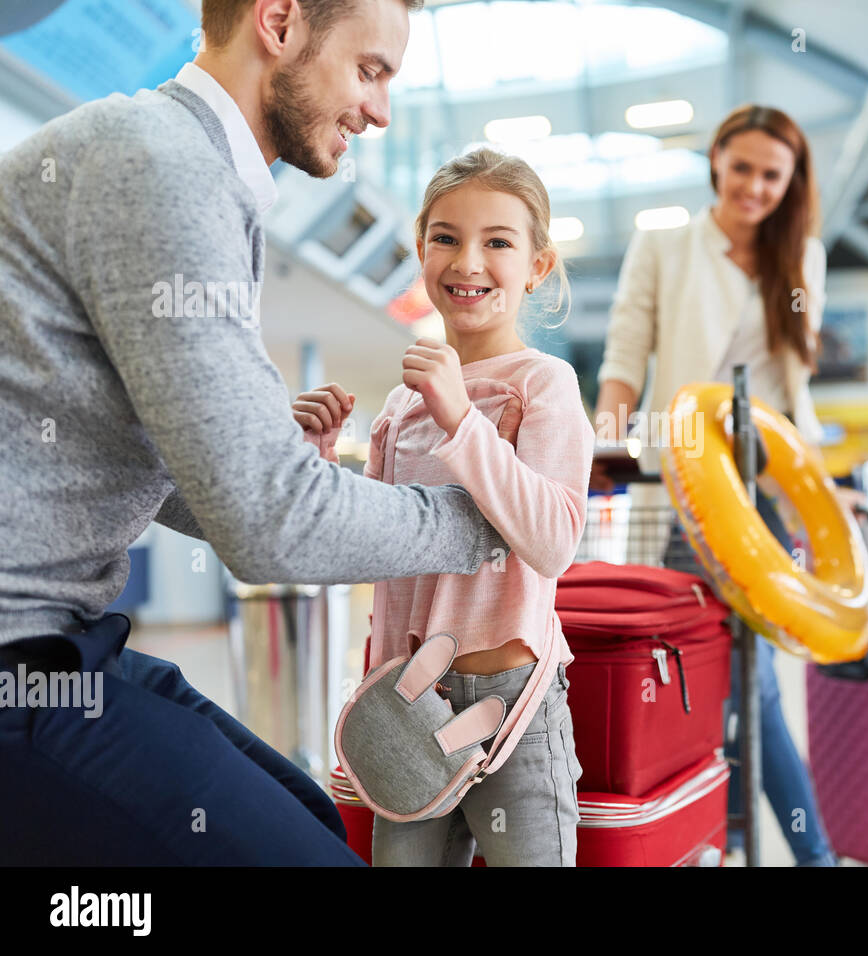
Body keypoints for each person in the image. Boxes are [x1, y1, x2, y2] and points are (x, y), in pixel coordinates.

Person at [0, 0, 517, 865]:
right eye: (369, 71)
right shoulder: (161, 166)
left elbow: (148, 465)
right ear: (278, 22)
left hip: (61, 638)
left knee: (312, 818)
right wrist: (489, 516)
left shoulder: (181, 165)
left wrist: (245, 453)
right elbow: (271, 526)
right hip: (22, 661)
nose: (381, 111)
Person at [295, 147, 593, 866]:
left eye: (498, 242)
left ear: (537, 266)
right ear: (421, 251)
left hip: (512, 702)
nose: (469, 261)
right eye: (446, 237)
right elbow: (375, 542)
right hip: (407, 702)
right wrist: (320, 462)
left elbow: (552, 541)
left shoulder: (543, 384)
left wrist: (462, 420)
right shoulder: (402, 404)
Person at [594, 104, 842, 866]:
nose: (755, 187)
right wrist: (608, 431)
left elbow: (794, 390)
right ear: (715, 163)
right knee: (721, 674)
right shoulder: (666, 243)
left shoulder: (804, 256)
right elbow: (628, 346)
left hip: (764, 491)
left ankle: (739, 844)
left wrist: (823, 491)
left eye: (773, 175)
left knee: (739, 679)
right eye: (742, 169)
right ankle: (761, 847)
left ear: (791, 182)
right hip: (685, 487)